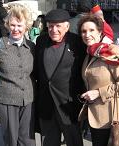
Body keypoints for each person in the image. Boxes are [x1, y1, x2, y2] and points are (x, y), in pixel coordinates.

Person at [0, 4, 36, 146]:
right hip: (6, 101)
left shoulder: (31, 46)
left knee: (28, 141)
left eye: (19, 25)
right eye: (12, 25)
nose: (15, 29)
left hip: (28, 101)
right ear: (7, 24)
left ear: (26, 26)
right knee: (11, 140)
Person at [34, 9, 86, 146]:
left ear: (67, 26)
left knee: (74, 141)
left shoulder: (77, 42)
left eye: (58, 26)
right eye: (50, 26)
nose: (54, 30)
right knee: (49, 142)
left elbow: (84, 71)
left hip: (69, 105)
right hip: (46, 104)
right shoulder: (41, 41)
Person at [78, 14, 119, 146]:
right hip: (94, 116)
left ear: (100, 32)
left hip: (111, 117)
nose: (87, 34)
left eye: (91, 30)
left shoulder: (111, 51)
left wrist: (99, 92)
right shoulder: (90, 53)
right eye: (83, 31)